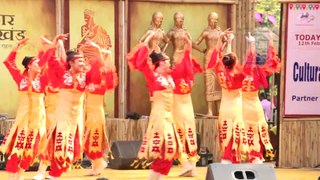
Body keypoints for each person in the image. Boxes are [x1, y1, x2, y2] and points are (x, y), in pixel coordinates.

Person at [127, 32, 181, 180]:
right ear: (161, 63)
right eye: (167, 61)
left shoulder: (168, 76)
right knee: (164, 150)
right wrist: (148, 39)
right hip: (159, 117)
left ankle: (158, 178)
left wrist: (156, 50)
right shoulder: (153, 77)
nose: (170, 63)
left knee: (170, 151)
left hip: (169, 117)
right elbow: (141, 62)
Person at [0, 38, 55, 180]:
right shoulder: (20, 78)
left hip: (37, 121)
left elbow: (47, 62)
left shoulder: (43, 80)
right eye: (37, 63)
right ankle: (12, 177)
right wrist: (17, 46)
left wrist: (52, 45)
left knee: (32, 150)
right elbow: (8, 62)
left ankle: (20, 174)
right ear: (29, 66)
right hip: (22, 120)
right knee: (16, 150)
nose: (40, 65)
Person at [44, 49, 87, 179]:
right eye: (80, 61)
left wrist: (101, 54)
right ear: (71, 63)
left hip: (76, 117)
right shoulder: (64, 75)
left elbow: (101, 73)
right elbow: (52, 61)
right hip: (62, 115)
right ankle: (54, 173)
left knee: (73, 149)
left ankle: (59, 169)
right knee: (60, 144)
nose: (83, 63)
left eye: (83, 60)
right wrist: (54, 44)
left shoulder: (85, 76)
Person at [207, 30, 248, 164]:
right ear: (235, 64)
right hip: (235, 105)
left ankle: (226, 158)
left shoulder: (220, 70)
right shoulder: (238, 75)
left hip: (224, 106)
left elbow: (218, 55)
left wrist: (221, 39)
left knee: (225, 130)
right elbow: (244, 67)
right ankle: (235, 158)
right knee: (236, 131)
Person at [32, 35, 68, 180]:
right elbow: (46, 59)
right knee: (47, 140)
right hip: (48, 110)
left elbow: (61, 61)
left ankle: (52, 172)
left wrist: (58, 44)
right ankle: (43, 170)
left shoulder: (61, 71)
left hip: (61, 110)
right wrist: (54, 43)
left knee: (58, 140)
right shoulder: (45, 74)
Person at [79, 42, 117, 176]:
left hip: (96, 114)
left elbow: (99, 66)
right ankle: (96, 165)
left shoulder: (101, 85)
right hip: (87, 112)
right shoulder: (89, 83)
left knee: (92, 139)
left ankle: (99, 162)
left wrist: (96, 49)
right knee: (87, 140)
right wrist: (81, 52)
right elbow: (84, 70)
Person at [242, 32, 280, 164]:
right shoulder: (259, 72)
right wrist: (270, 43)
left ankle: (246, 155)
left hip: (243, 107)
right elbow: (271, 62)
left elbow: (248, 57)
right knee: (258, 132)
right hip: (255, 105)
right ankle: (257, 156)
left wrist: (250, 43)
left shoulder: (241, 73)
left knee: (245, 131)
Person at [171, 37, 202, 177]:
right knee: (190, 137)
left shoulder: (173, 79)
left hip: (177, 111)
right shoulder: (190, 80)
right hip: (188, 110)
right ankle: (192, 167)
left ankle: (186, 166)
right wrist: (187, 48)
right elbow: (187, 63)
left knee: (179, 139)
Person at [193, 12, 222, 117]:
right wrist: (202, 50)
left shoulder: (219, 32)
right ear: (209, 20)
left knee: (218, 85)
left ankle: (219, 110)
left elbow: (225, 43)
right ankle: (209, 111)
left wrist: (225, 37)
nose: (215, 21)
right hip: (209, 58)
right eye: (213, 19)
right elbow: (195, 43)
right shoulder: (205, 32)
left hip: (218, 59)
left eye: (216, 19)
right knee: (209, 84)